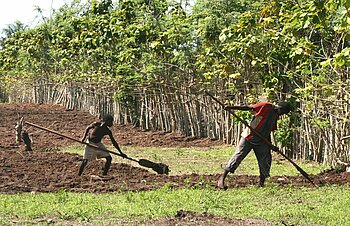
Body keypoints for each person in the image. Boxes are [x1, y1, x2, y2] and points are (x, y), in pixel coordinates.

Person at [217, 101, 291, 188]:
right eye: (282, 112)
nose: (281, 115)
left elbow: (268, 132)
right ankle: (222, 179)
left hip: (261, 141)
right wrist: (231, 107)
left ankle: (261, 184)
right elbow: (249, 107)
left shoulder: (275, 117)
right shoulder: (266, 106)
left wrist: (270, 145)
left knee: (265, 159)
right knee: (238, 156)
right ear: (280, 109)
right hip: (249, 136)